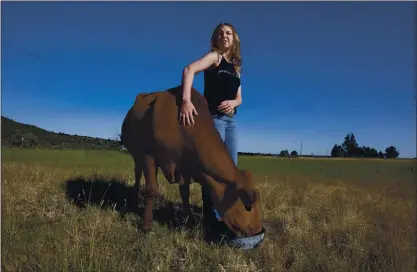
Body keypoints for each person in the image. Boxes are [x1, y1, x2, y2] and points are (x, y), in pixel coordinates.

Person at [179, 22, 243, 240]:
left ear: (234, 39)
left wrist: (234, 104)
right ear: (215, 39)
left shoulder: (235, 67)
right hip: (214, 121)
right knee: (213, 170)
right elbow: (189, 69)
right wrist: (186, 100)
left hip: (231, 123)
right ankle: (210, 220)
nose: (225, 36)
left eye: (229, 33)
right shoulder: (214, 57)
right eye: (221, 33)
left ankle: (225, 215)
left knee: (230, 170)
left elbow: (239, 97)